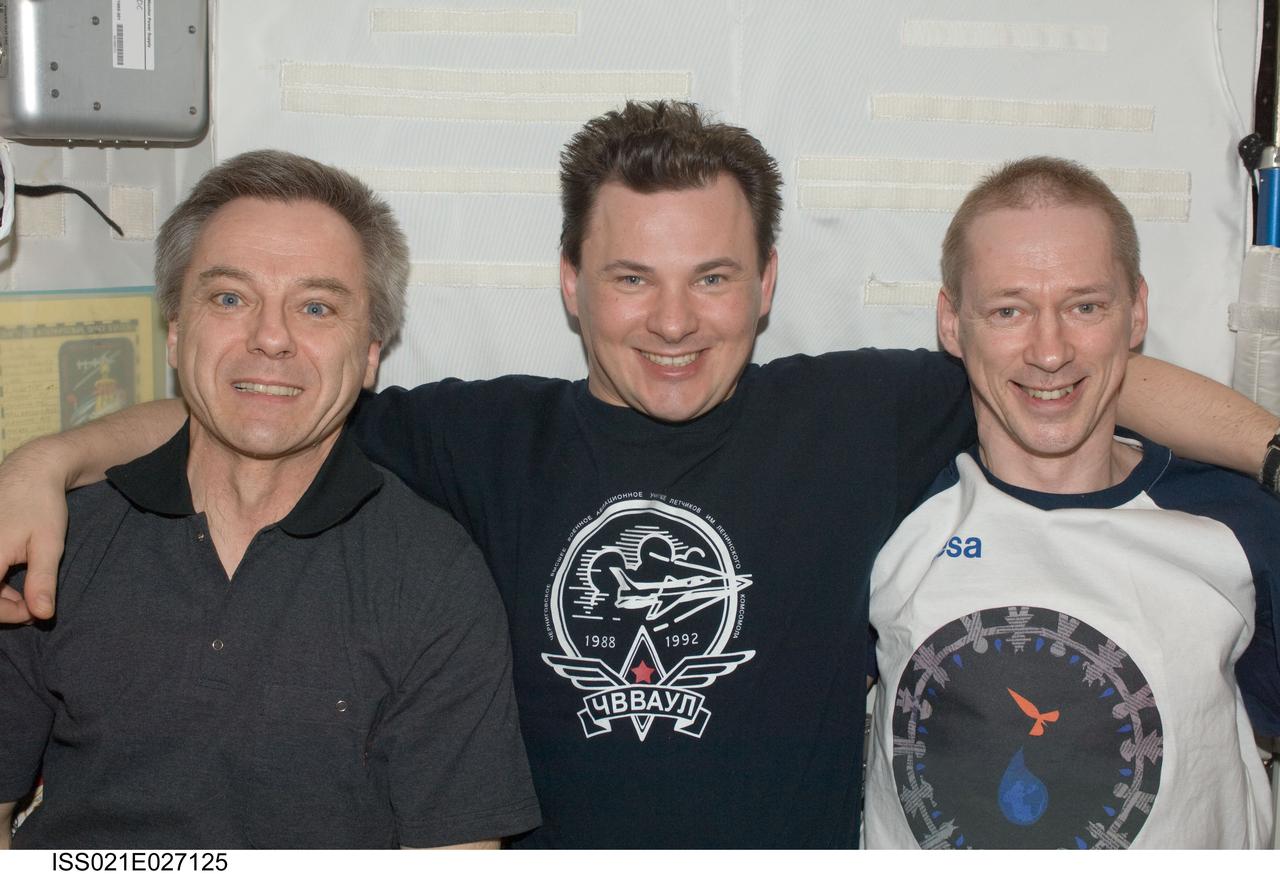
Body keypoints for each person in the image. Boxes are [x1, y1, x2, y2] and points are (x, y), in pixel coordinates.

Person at [0, 103, 1276, 848]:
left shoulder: (854, 411)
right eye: (630, 277)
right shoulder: (478, 437)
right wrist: (47, 456)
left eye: (712, 277)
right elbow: (266, 398)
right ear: (569, 286)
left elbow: (1074, 365)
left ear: (765, 286)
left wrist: (1272, 446)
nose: (673, 321)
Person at [0, 151, 540, 849]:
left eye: (316, 307)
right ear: (173, 329)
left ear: (372, 352)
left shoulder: (432, 579)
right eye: (229, 298)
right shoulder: (48, 541)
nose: (271, 338)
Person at [864, 157, 1280, 849]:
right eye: (1008, 310)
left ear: (1137, 312)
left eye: (1085, 306)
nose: (1050, 350)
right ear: (951, 322)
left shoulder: (1237, 524)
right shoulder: (885, 512)